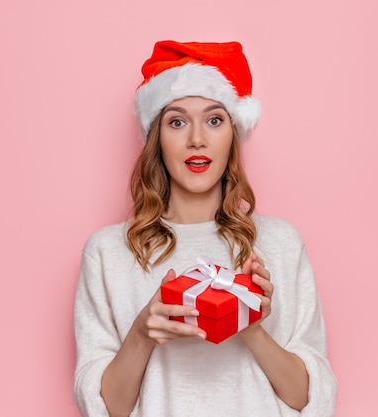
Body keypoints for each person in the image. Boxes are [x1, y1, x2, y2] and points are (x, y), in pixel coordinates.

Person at [73, 40, 337, 417]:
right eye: (177, 121)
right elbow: (104, 408)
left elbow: (310, 399)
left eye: (215, 119)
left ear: (234, 133)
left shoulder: (280, 243)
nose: (197, 139)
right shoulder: (107, 252)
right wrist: (142, 333)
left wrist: (250, 325)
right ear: (156, 138)